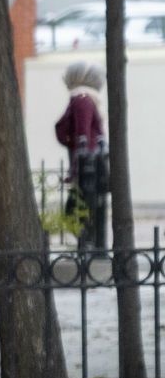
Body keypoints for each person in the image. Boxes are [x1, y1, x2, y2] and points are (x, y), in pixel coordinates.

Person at [55, 59, 106, 243]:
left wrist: (76, 169)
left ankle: (86, 244)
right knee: (81, 209)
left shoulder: (81, 100)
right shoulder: (87, 99)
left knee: (75, 211)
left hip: (86, 167)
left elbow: (82, 136)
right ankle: (87, 242)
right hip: (89, 165)